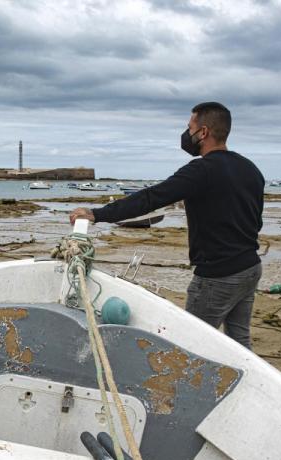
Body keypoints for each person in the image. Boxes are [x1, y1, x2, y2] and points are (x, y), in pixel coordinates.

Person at [68, 102, 264, 348]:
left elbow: (151, 198)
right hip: (250, 267)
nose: (186, 134)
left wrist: (97, 214)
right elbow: (256, 221)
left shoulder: (201, 171)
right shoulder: (251, 169)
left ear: (203, 132)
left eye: (189, 127)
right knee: (240, 342)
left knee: (188, 346)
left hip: (217, 275)